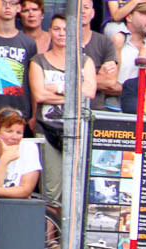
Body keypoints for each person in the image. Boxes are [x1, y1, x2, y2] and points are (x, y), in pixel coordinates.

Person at [29, 14, 97, 202]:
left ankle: (69, 231)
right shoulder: (38, 61)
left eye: (66, 30)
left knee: (75, 188)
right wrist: (75, 93)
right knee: (51, 190)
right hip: (47, 129)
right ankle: (50, 232)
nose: (61, 34)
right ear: (50, 31)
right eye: (57, 29)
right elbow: (40, 95)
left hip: (77, 131)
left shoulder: (85, 61)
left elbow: (90, 91)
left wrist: (58, 89)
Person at [0, 108, 41, 249]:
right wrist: (5, 160)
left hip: (14, 225)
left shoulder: (30, 149)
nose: (14, 137)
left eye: (19, 133)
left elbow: (26, 190)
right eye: (9, 131)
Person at [0, 0, 36, 121]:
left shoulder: (29, 43)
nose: (7, 7)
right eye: (3, 3)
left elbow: (32, 82)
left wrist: (33, 115)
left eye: (12, 3)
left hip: (21, 113)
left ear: (19, 8)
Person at [79, 0, 121, 111]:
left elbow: (110, 82)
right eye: (78, 8)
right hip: (64, 108)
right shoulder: (62, 40)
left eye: (86, 8)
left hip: (96, 109)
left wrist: (72, 82)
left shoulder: (105, 42)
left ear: (93, 13)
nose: (82, 11)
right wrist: (97, 77)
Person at [112, 3, 146, 84]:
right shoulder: (118, 42)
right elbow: (108, 83)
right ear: (129, 17)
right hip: (119, 96)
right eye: (145, 13)